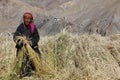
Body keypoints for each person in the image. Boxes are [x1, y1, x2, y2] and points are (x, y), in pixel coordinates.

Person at [13, 12, 40, 77]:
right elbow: (15, 36)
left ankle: (35, 73)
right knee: (23, 63)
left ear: (31, 19)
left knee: (35, 60)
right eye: (26, 18)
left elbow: (37, 37)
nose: (27, 20)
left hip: (32, 48)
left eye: (29, 19)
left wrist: (31, 42)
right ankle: (23, 74)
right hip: (22, 49)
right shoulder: (20, 27)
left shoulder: (33, 27)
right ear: (23, 19)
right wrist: (20, 41)